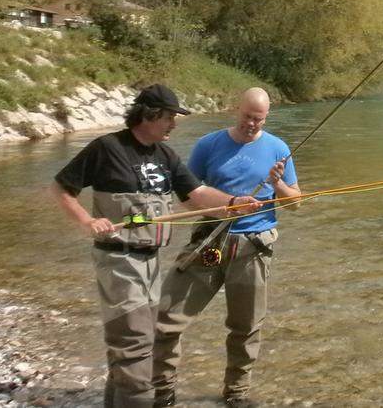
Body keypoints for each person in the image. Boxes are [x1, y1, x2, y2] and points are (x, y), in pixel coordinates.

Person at [50, 84, 259, 408]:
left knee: (133, 343)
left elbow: (197, 195)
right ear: (149, 114)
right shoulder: (107, 148)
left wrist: (233, 203)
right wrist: (87, 222)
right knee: (136, 347)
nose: (174, 125)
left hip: (150, 263)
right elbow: (63, 188)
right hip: (118, 261)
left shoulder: (165, 156)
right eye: (169, 118)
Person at [152, 87, 301, 408]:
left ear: (266, 118)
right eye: (248, 117)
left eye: (259, 120)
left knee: (246, 328)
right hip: (207, 238)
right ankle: (162, 394)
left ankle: (236, 396)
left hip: (254, 246)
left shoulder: (278, 148)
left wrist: (277, 185)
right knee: (166, 318)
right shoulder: (208, 145)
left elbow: (295, 203)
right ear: (236, 109)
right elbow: (189, 192)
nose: (252, 124)